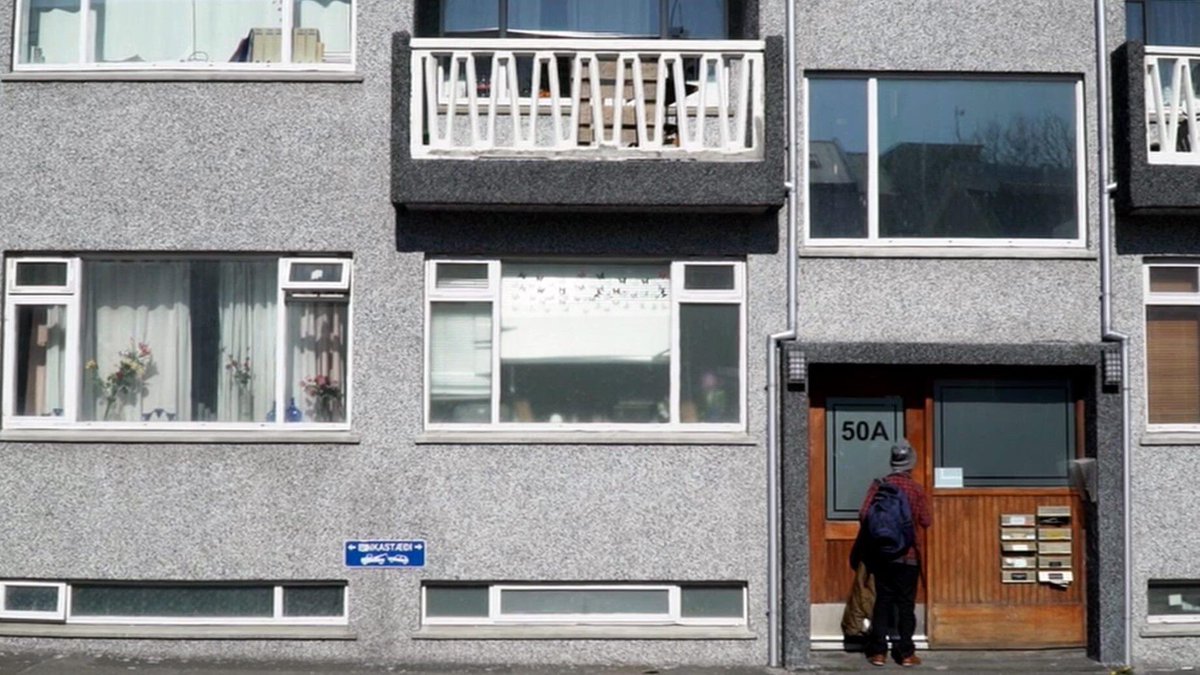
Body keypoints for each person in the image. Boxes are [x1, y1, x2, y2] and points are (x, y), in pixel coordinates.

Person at [858, 439, 932, 667]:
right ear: (911, 463)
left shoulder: (879, 486)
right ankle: (906, 654)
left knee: (883, 601)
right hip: (908, 555)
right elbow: (926, 520)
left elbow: (863, 515)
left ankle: (878, 652)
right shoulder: (916, 489)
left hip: (883, 555)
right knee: (905, 604)